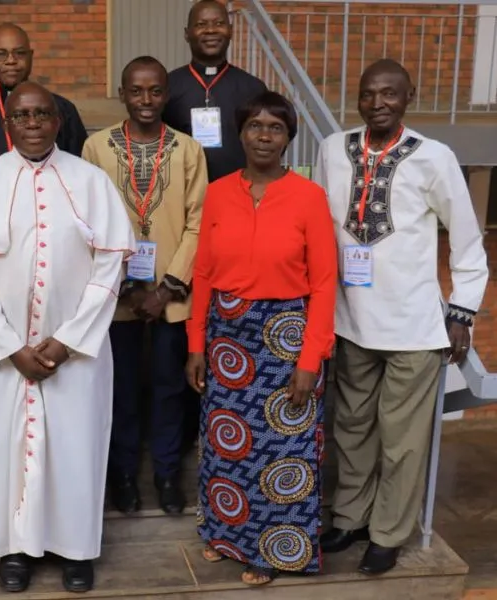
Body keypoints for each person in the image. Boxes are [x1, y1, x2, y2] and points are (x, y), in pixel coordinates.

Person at [0, 81, 136, 594]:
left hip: (78, 351)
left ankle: (75, 550)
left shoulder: (92, 183)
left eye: (42, 114)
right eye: (22, 115)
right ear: (9, 124)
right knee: (5, 449)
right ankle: (15, 550)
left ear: (58, 121)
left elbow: (110, 266)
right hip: (4, 354)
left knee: (76, 448)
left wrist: (69, 339)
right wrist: (10, 347)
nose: (32, 123)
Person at [313, 59, 488, 576]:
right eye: (369, 94)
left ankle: (388, 531)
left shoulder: (435, 157)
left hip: (413, 324)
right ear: (358, 97)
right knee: (350, 428)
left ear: (409, 97)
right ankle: (350, 517)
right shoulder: (331, 149)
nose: (378, 103)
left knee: (403, 437)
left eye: (390, 94)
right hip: (350, 319)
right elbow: (322, 226)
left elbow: (468, 240)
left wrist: (461, 313)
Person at [185, 91, 337, 586]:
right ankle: (227, 536)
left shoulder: (309, 197)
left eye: (275, 127)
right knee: (228, 445)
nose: (264, 135)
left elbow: (323, 283)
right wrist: (196, 344)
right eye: (255, 126)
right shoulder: (221, 191)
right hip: (227, 337)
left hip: (285, 338)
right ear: (241, 133)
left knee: (279, 452)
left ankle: (273, 551)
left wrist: (311, 357)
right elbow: (203, 272)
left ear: (289, 136)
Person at [82, 56, 207, 516]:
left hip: (174, 298)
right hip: (117, 299)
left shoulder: (188, 150)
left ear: (166, 94)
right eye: (137, 91)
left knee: (170, 387)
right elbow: (88, 222)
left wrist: (167, 287)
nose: (147, 100)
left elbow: (199, 223)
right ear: (122, 94)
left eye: (155, 91)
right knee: (123, 389)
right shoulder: (95, 148)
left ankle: (168, 474)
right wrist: (129, 287)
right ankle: (123, 474)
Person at [0, 22, 89, 193]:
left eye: (19, 53)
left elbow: (79, 166)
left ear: (31, 56)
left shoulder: (62, 108)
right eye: (1, 54)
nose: (11, 61)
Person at [163, 0, 267, 183]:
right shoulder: (167, 86)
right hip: (183, 192)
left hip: (239, 193)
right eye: (201, 24)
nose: (211, 30)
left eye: (219, 23)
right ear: (187, 34)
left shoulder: (253, 88)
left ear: (231, 30)